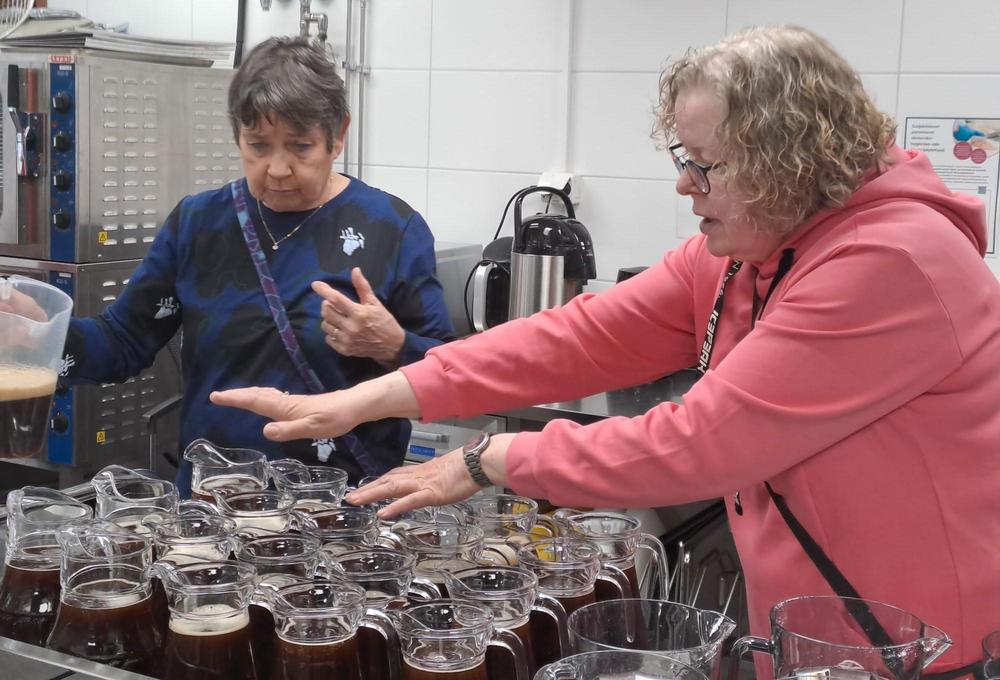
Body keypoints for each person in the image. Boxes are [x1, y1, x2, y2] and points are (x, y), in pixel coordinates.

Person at [212, 26, 1000, 674]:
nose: (684, 186)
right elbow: (578, 338)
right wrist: (365, 398)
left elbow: (699, 443)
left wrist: (492, 460)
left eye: (705, 165)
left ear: (786, 160)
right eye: (682, 159)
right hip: (812, 635)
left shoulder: (892, 261)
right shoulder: (756, 246)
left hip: (917, 644)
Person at [54, 36, 455, 491]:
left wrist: (392, 344)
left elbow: (450, 375)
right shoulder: (199, 223)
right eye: (258, 146)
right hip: (215, 501)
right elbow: (122, 341)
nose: (278, 169)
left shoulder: (391, 229)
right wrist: (38, 333)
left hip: (342, 509)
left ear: (338, 135)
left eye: (300, 147)